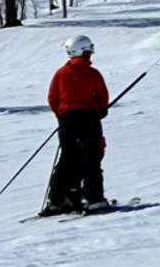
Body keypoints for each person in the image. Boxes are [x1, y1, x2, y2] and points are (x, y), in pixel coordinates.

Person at [43, 35, 110, 215]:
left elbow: (52, 98)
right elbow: (103, 96)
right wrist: (101, 111)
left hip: (67, 121)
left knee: (67, 159)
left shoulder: (60, 73)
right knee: (91, 158)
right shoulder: (93, 73)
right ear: (84, 52)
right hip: (89, 119)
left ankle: (56, 200)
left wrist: (62, 116)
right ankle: (94, 199)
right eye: (89, 52)